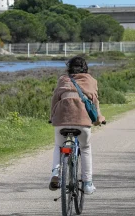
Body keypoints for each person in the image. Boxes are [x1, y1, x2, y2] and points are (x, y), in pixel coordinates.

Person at [49, 56, 105, 195]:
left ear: (69, 67)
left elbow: (55, 100)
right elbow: (94, 102)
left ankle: (55, 174)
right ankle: (87, 183)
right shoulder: (90, 80)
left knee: (59, 146)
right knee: (85, 147)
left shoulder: (63, 79)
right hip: (82, 121)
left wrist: (52, 118)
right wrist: (99, 119)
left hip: (61, 120)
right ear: (85, 68)